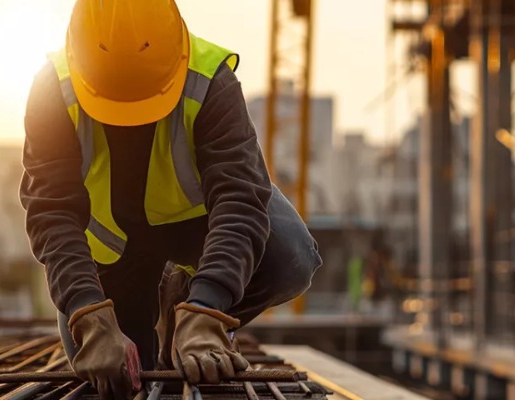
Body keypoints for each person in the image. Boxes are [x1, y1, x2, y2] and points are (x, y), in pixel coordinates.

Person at [20, 0, 321, 397]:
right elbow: (52, 212)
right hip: (112, 254)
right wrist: (87, 312)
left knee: (290, 256)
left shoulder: (210, 82)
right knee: (118, 376)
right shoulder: (52, 90)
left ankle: (186, 305)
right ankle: (149, 318)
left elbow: (239, 199)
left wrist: (207, 308)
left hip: (194, 228)